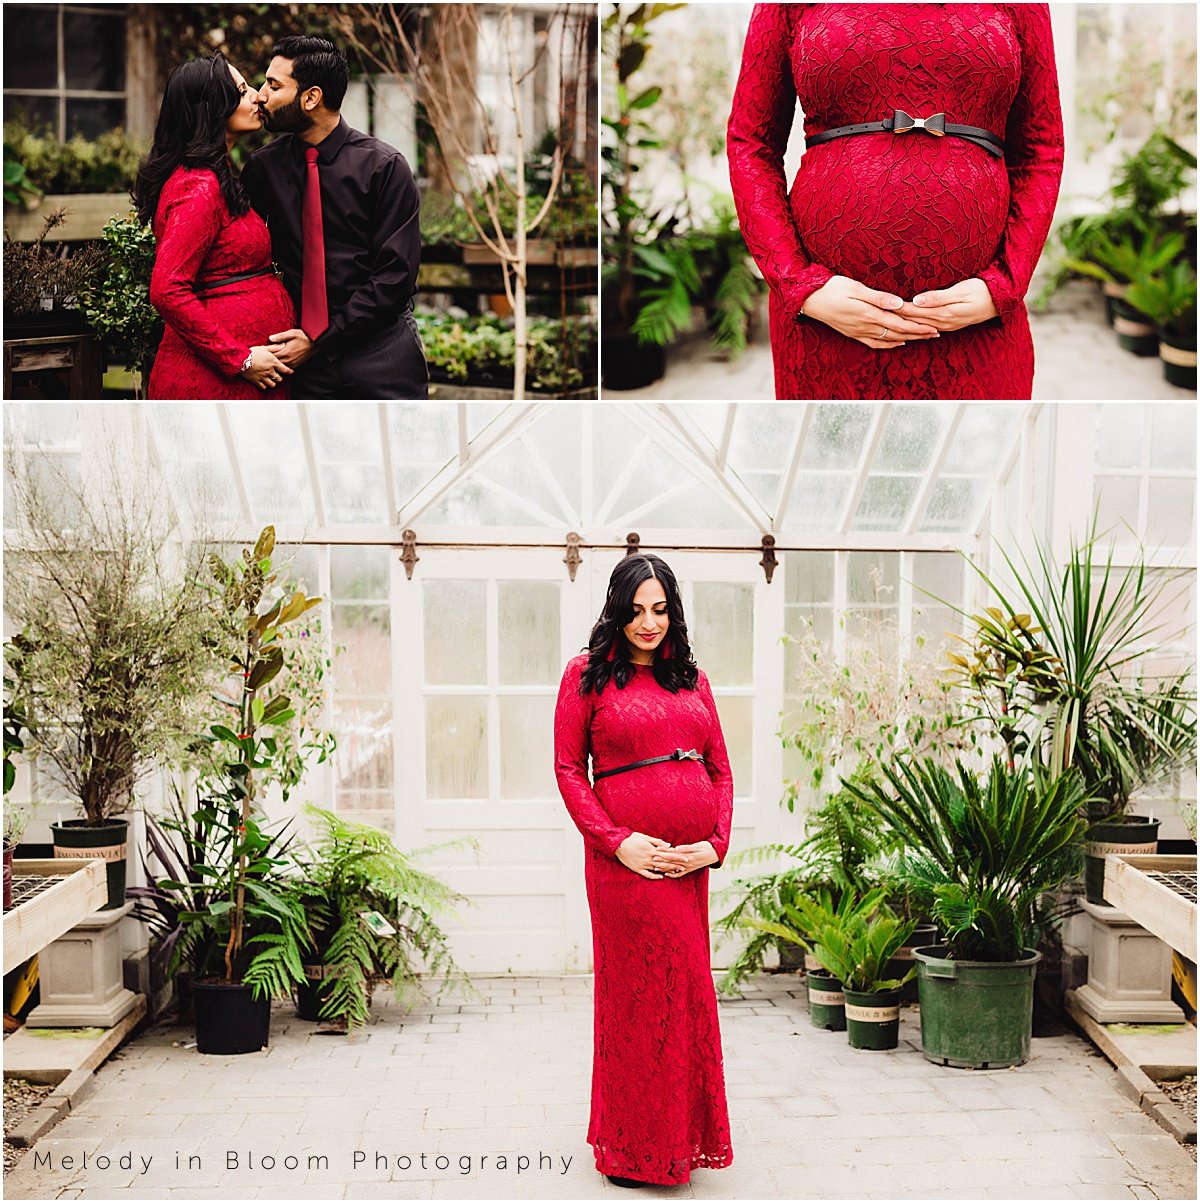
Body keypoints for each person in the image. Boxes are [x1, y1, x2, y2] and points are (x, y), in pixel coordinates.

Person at [727, 3, 1064, 400]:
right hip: (827, 328)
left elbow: (1041, 148)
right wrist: (802, 286)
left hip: (977, 329)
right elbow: (751, 144)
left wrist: (1005, 284)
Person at [553, 553, 734, 1189]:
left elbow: (720, 769)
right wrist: (615, 841)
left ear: (673, 611)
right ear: (616, 610)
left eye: (660, 609)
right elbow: (569, 771)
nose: (649, 623)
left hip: (688, 868)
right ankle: (632, 1151)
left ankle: (679, 1140)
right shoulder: (587, 677)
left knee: (684, 994)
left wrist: (715, 845)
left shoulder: (694, 680)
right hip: (624, 869)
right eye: (636, 611)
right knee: (636, 1002)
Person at [241, 35, 428, 399]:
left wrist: (321, 338)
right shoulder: (263, 169)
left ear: (311, 97)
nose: (261, 94)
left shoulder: (385, 168)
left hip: (382, 356)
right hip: (297, 363)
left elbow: (395, 277)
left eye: (274, 85)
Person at [136, 54, 297, 399]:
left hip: (238, 381)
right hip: (211, 382)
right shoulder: (198, 186)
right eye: (241, 91)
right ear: (211, 109)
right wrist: (241, 358)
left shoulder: (218, 177)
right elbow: (167, 289)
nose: (256, 95)